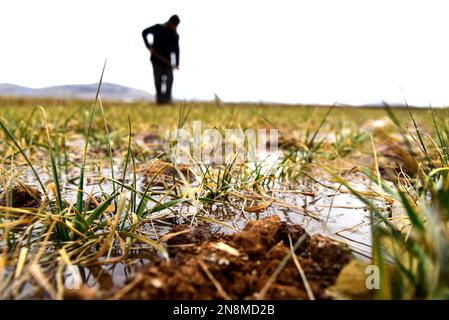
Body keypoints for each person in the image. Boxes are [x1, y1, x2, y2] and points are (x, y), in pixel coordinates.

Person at [142, 15, 180, 105]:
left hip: (168, 62)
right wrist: (148, 46)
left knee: (169, 80)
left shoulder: (174, 35)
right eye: (175, 25)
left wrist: (177, 63)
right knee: (158, 80)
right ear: (171, 23)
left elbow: (176, 50)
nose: (175, 27)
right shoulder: (158, 28)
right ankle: (160, 101)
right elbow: (144, 32)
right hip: (156, 60)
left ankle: (167, 100)